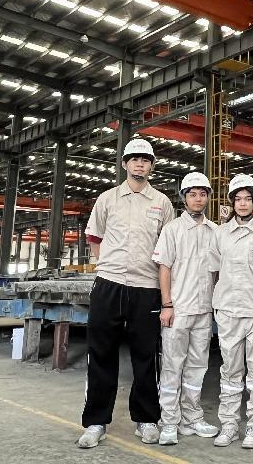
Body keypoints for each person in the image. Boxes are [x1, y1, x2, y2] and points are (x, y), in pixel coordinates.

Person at [77, 138, 174, 449]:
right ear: (124, 164)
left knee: (145, 356)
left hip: (147, 288)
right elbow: (95, 237)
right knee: (101, 354)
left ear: (152, 166)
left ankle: (146, 419)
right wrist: (106, 265)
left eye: (145, 160)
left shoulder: (162, 203)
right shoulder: (107, 199)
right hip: (109, 284)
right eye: (134, 159)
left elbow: (169, 248)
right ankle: (96, 422)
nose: (139, 164)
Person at [152, 172, 220, 446]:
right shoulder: (172, 230)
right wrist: (167, 304)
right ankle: (169, 420)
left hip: (204, 310)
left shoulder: (214, 231)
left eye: (203, 194)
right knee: (172, 366)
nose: (198, 199)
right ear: (184, 198)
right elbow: (164, 268)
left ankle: (192, 417)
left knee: (197, 367)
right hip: (178, 309)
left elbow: (217, 272)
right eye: (192, 194)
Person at [209, 174, 253, 449]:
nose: (243, 203)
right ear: (232, 203)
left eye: (247, 199)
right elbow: (213, 271)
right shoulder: (220, 234)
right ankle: (230, 424)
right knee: (230, 370)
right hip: (228, 310)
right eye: (238, 199)